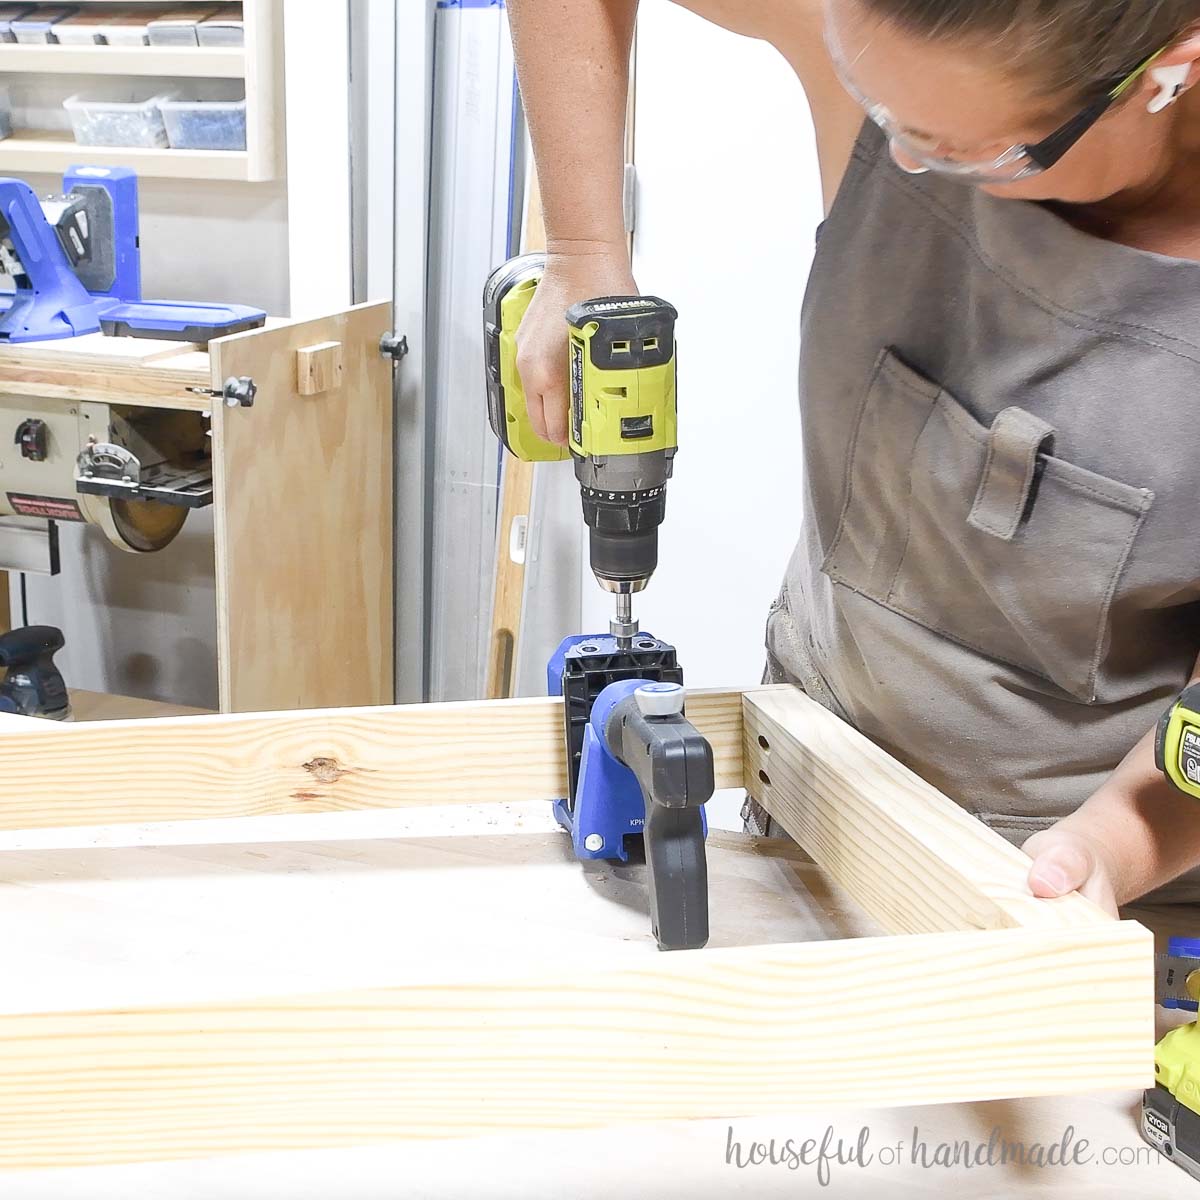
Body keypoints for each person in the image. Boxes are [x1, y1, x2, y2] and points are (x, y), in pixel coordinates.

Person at [506, 0, 1200, 916]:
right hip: (811, 801)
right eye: (887, 118)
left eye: (964, 150)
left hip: (1066, 903)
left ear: (1170, 75)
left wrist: (1105, 849)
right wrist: (584, 249)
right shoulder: (917, 42)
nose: (908, 166)